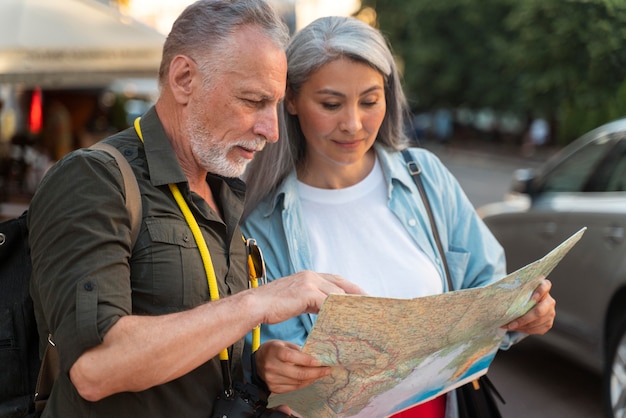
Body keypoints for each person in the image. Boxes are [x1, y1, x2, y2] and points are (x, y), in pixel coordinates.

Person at [26, 2, 363, 417]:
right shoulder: (93, 178)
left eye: (273, 106)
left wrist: (256, 368)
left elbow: (194, 347)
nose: (271, 131)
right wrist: (257, 302)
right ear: (184, 79)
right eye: (253, 100)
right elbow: (95, 368)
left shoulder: (224, 189)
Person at [241, 16, 556, 418]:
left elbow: (487, 286)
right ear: (291, 100)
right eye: (331, 104)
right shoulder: (260, 218)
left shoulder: (425, 177)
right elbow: (261, 351)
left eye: (370, 101)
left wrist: (523, 313)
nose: (353, 124)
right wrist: (267, 362)